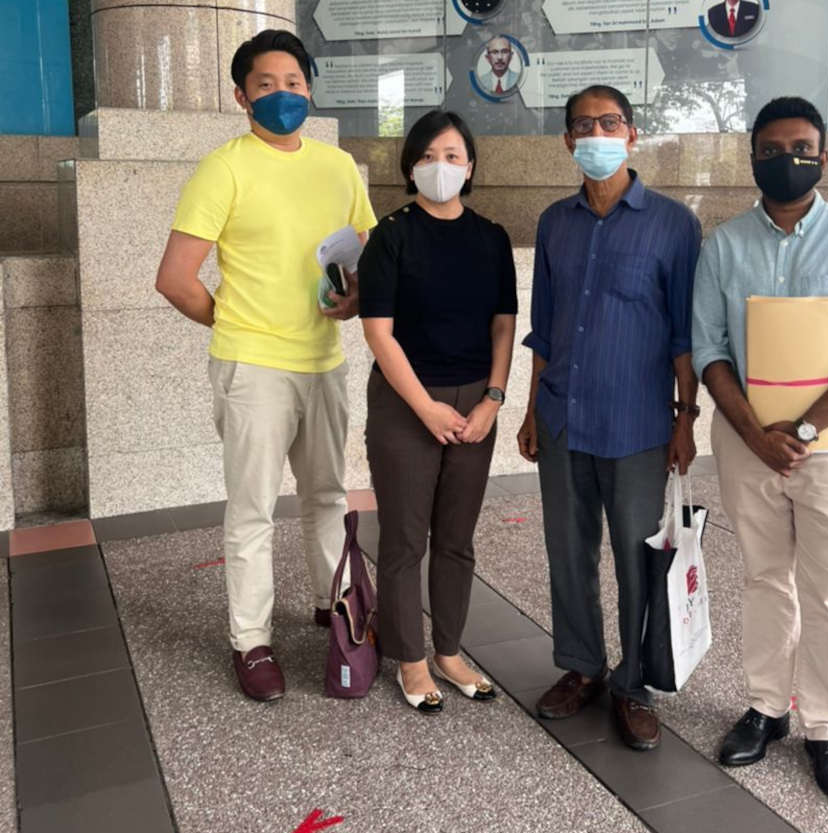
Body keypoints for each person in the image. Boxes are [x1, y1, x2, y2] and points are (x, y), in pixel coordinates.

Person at [692, 97, 828, 804]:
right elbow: (710, 351)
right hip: (747, 442)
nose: (789, 158)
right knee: (764, 577)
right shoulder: (722, 246)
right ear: (753, 156)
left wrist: (806, 430)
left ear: (824, 155)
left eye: (803, 146)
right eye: (774, 147)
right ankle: (765, 708)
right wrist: (756, 433)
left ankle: (827, 728)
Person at [155, 29, 377, 702]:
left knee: (328, 497)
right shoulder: (225, 168)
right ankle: (250, 641)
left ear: (311, 87)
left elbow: (357, 255)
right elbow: (175, 278)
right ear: (240, 95)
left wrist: (349, 300)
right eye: (265, 85)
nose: (283, 94)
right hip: (252, 366)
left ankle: (331, 604)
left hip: (323, 360)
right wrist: (231, 321)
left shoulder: (338, 167)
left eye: (294, 82)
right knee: (252, 508)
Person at [518, 85, 701, 750]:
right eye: (582, 125)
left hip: (637, 425)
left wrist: (687, 419)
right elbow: (543, 328)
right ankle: (583, 667)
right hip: (564, 415)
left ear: (632, 133)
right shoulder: (554, 223)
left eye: (609, 122)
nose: (596, 133)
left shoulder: (674, 225)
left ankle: (634, 683)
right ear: (568, 141)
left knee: (634, 558)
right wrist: (533, 409)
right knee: (567, 553)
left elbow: (685, 334)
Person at [359, 111, 517, 713]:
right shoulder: (391, 236)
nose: (440, 167)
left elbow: (504, 325)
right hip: (407, 403)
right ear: (409, 168)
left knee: (457, 538)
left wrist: (493, 400)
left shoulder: (491, 237)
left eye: (452, 155)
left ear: (470, 166)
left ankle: (449, 651)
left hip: (477, 402)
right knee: (404, 539)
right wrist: (425, 408)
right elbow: (379, 333)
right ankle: (412, 659)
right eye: (427, 156)